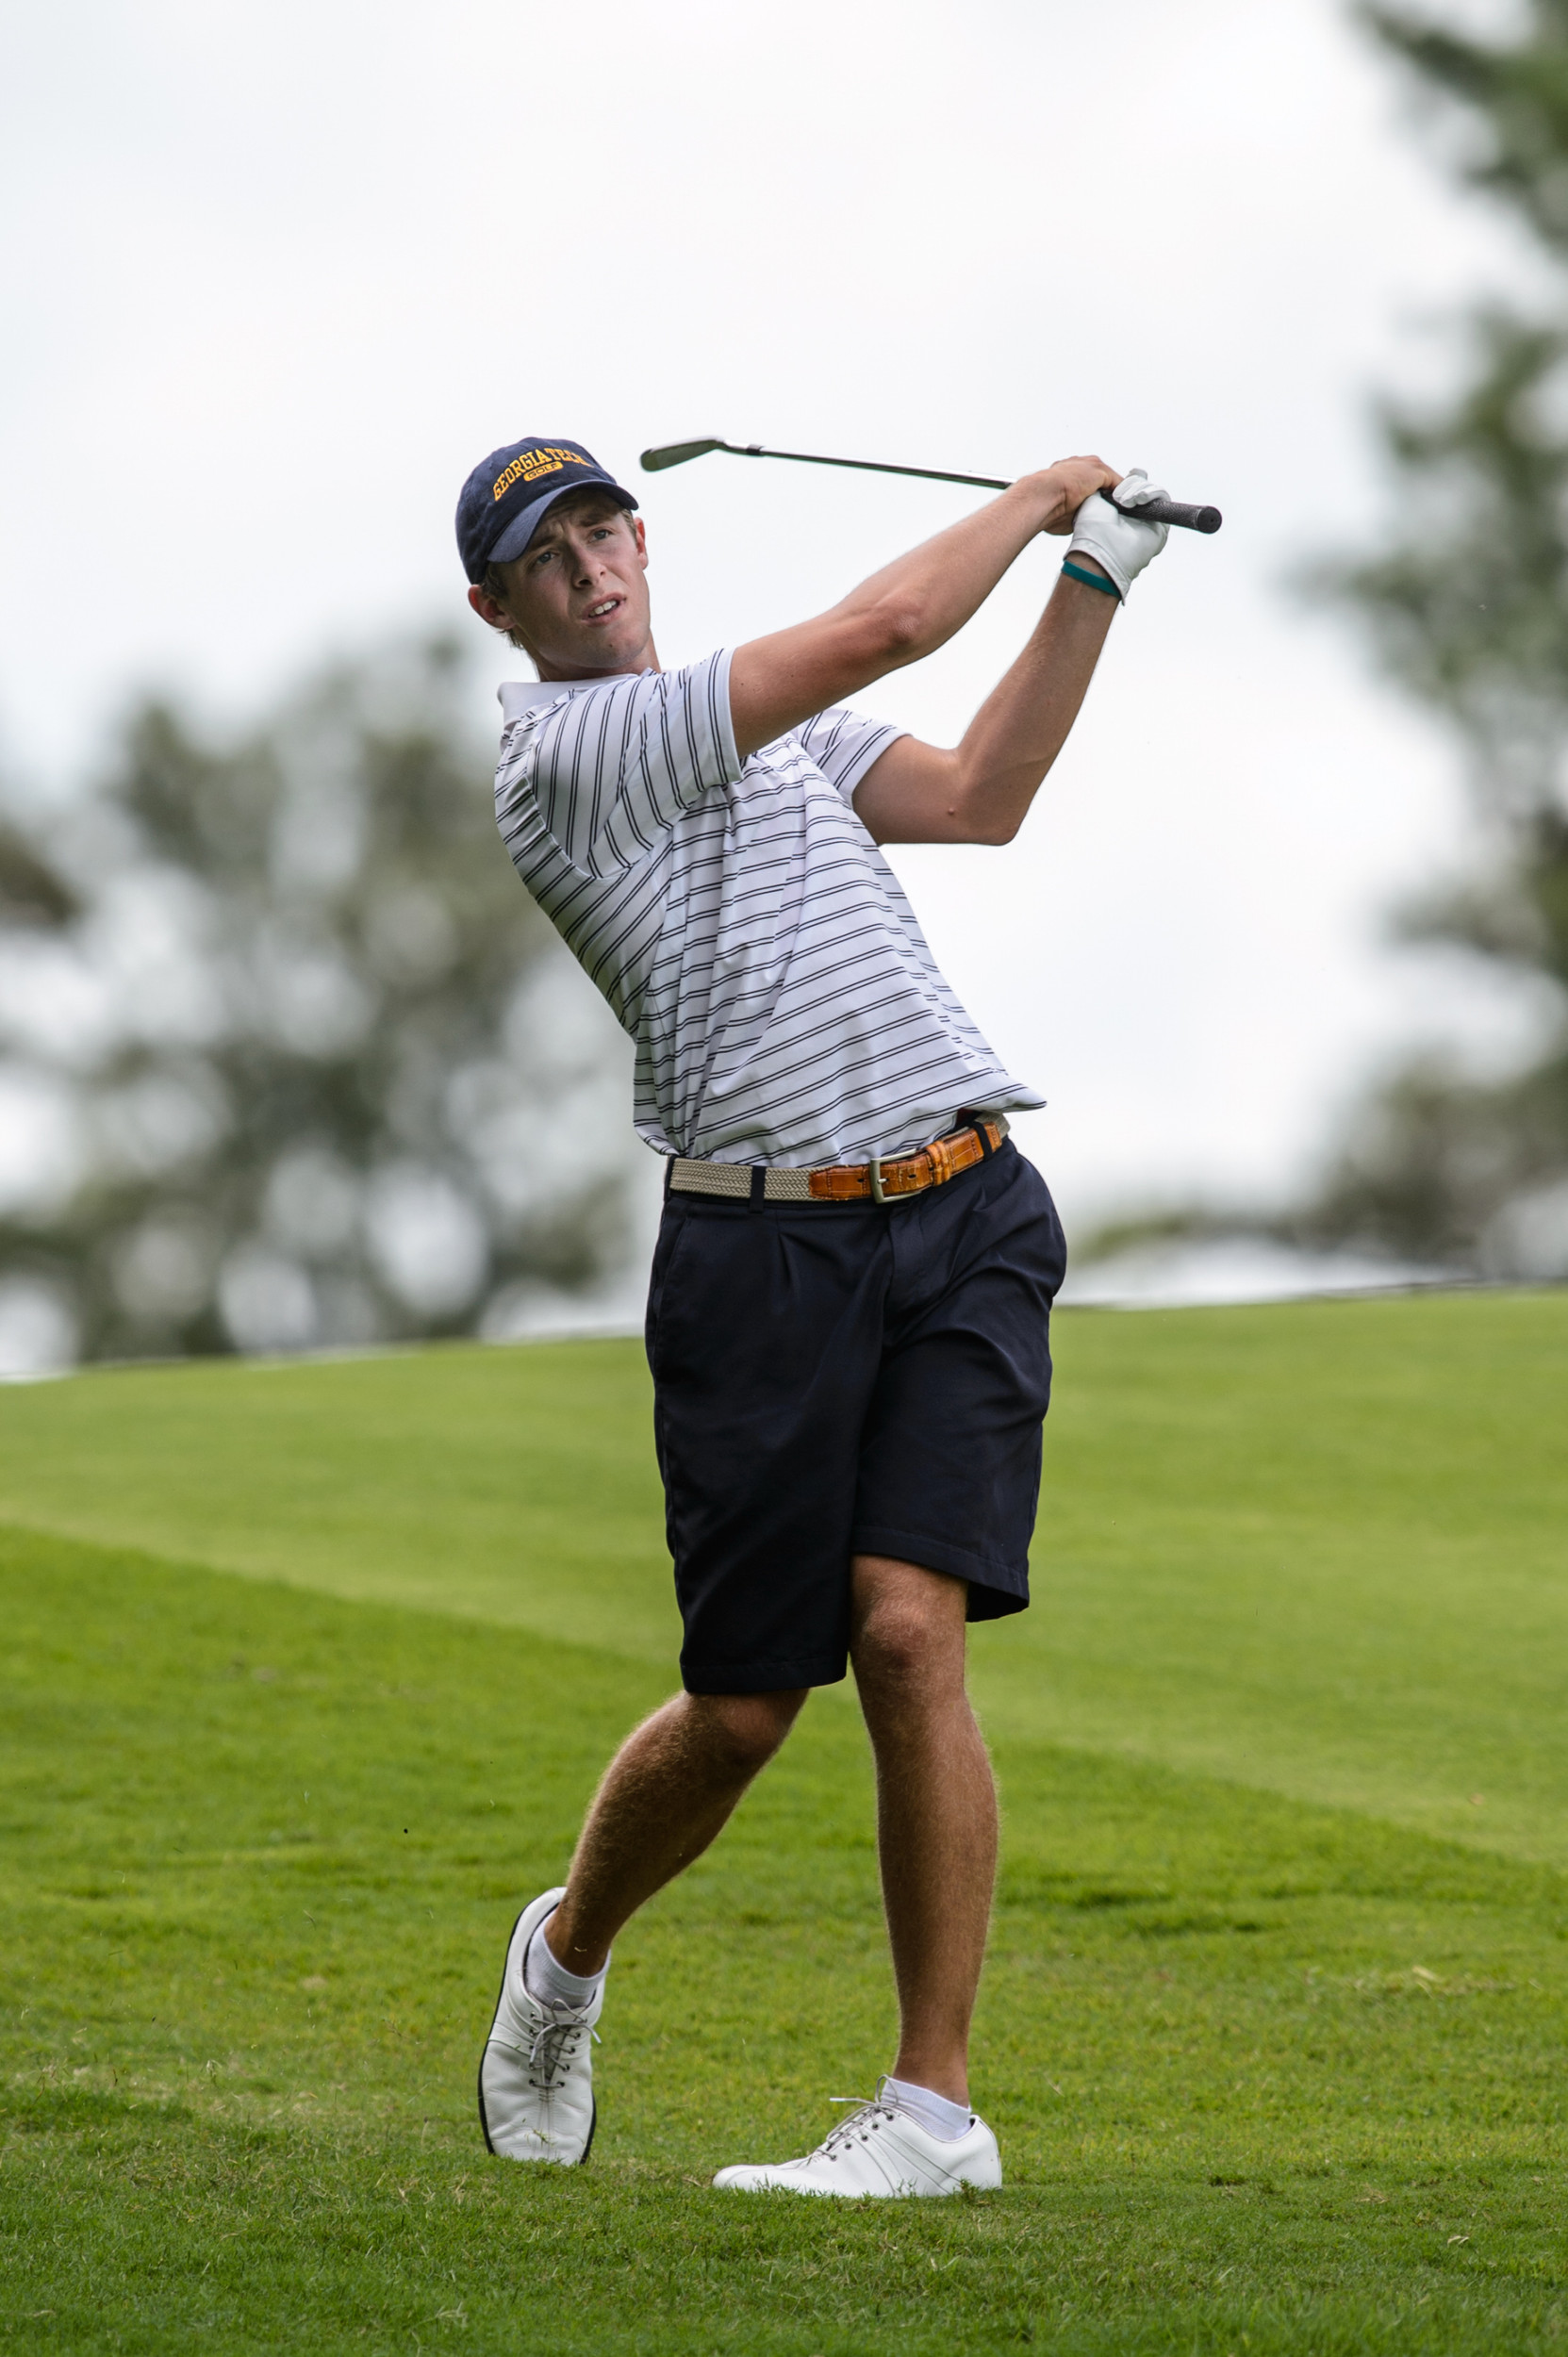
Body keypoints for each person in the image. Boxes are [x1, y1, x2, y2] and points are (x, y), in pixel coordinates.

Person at [454, 434, 1168, 2199]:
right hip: (760, 1261)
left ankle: (934, 2114)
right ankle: (566, 1957)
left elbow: (984, 791)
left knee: (911, 1635)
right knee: (749, 1708)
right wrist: (1038, 495)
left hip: (965, 1204)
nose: (595, 570)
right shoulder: (569, 753)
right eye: (552, 557)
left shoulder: (770, 743)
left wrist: (1095, 581)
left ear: (643, 534)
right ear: (501, 606)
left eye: (608, 530)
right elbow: (881, 627)